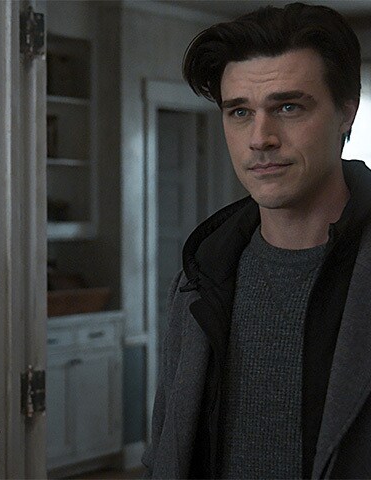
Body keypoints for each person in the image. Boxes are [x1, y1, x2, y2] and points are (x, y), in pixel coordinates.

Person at [142, 3, 371, 478]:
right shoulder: (199, 276)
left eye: (288, 107)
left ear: (345, 113)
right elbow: (166, 452)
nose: (260, 138)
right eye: (241, 112)